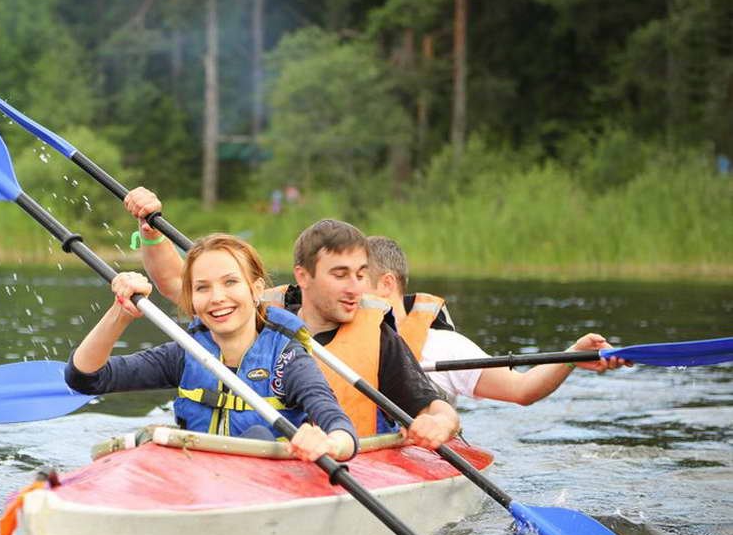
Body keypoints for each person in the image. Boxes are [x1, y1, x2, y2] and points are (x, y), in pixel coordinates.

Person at [122, 188, 459, 449]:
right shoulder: (259, 316)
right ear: (304, 276)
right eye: (340, 275)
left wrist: (441, 423)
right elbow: (176, 283)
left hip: (349, 463)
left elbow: (435, 409)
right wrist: (151, 231)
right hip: (256, 455)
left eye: (360, 275)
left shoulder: (379, 338)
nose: (356, 288)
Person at [65, 233, 358, 463]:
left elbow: (340, 427)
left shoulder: (288, 359)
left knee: (257, 435)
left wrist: (329, 443)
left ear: (256, 290)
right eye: (203, 288)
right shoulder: (185, 353)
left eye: (230, 282)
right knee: (152, 440)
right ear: (192, 298)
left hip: (262, 484)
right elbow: (85, 377)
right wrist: (121, 312)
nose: (217, 297)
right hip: (197, 481)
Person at [364, 235, 629, 406]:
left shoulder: (442, 346)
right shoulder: (336, 342)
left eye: (358, 278)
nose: (349, 290)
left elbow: (522, 390)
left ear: (387, 283)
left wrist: (572, 356)